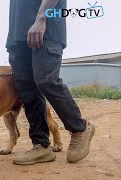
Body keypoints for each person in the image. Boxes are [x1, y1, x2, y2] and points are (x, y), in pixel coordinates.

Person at [6, 0, 95, 164]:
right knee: (28, 91)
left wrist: (41, 18)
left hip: (45, 28)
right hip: (17, 36)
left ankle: (79, 128)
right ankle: (41, 146)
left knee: (46, 80)